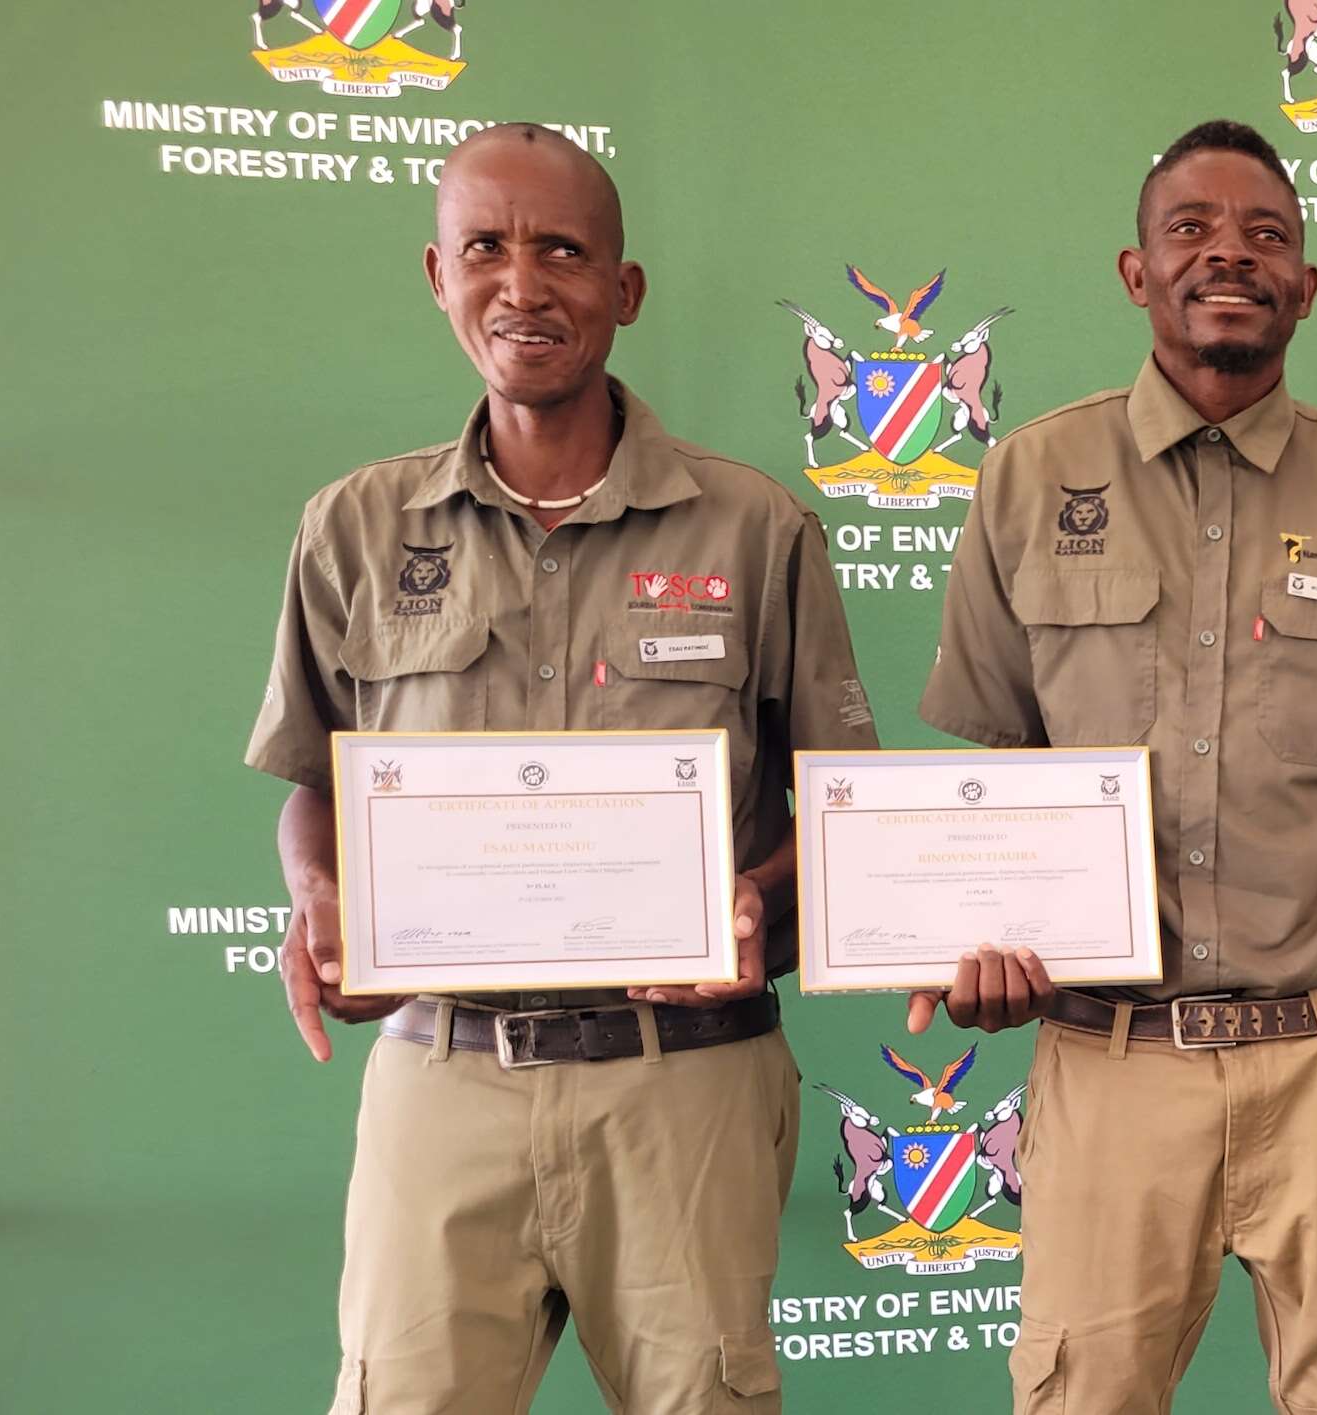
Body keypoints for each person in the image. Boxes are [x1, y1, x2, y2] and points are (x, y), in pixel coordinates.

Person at [914, 118, 1317, 1415]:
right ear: (1136, 272)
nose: (1230, 255)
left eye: (1266, 235)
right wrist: (981, 935)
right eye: (1191, 230)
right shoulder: (1029, 476)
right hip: (1110, 1057)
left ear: (1305, 285)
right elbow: (1000, 771)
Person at [245, 124, 879, 1413]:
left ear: (625, 289)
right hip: (444, 1072)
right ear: (439, 275)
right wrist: (319, 893)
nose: (522, 285)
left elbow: (841, 809)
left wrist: (756, 896)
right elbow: (315, 779)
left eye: (564, 252)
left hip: (684, 1079)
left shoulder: (752, 527)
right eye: (486, 248)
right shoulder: (354, 527)